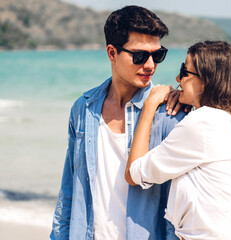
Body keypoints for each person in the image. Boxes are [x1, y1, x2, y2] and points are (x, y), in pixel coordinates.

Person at [50, 5, 186, 240]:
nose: (151, 65)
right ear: (112, 53)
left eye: (158, 55)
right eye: (140, 56)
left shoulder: (169, 115)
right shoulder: (83, 109)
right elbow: (69, 191)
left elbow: (177, 207)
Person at [125, 41, 231, 240]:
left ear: (206, 80)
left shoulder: (201, 123)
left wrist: (150, 105)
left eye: (185, 72)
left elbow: (134, 173)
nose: (178, 78)